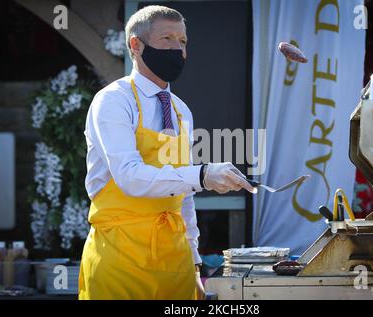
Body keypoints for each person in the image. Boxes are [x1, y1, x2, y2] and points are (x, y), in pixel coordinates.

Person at [78, 5, 255, 300]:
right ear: (136, 45)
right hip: (120, 257)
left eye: (183, 41)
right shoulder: (113, 101)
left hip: (176, 263)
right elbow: (129, 177)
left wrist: (195, 262)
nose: (178, 49)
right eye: (167, 39)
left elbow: (182, 194)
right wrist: (202, 174)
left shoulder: (180, 109)